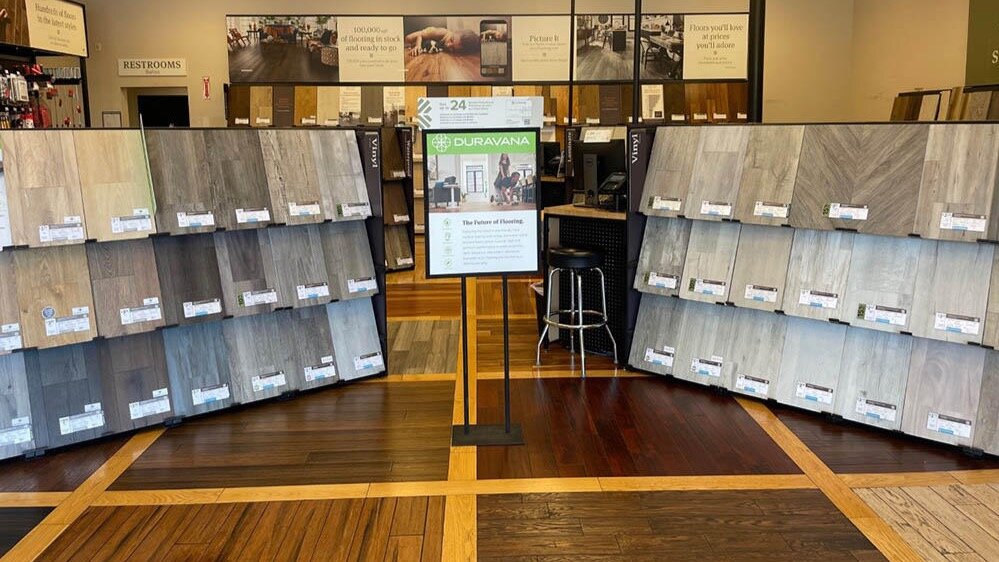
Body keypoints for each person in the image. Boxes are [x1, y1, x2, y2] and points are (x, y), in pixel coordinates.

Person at [405, 26, 480, 56]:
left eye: (452, 49)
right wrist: (417, 46)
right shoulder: (442, 32)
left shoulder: (453, 46)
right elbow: (420, 35)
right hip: (424, 34)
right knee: (408, 38)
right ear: (454, 32)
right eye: (451, 40)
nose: (448, 45)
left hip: (429, 42)